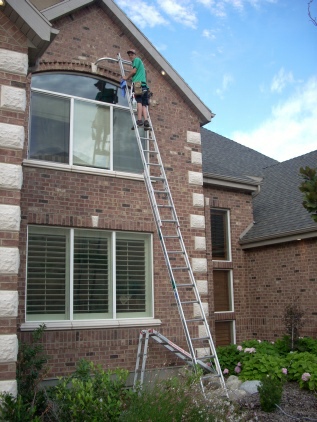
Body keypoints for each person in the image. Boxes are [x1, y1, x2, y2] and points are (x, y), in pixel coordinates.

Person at [122, 49, 150, 130]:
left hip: (138, 84)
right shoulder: (141, 63)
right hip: (145, 86)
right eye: (129, 55)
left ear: (135, 54)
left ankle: (139, 120)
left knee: (139, 101)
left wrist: (126, 77)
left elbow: (134, 71)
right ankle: (146, 121)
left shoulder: (136, 60)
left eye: (132, 54)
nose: (130, 56)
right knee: (144, 104)